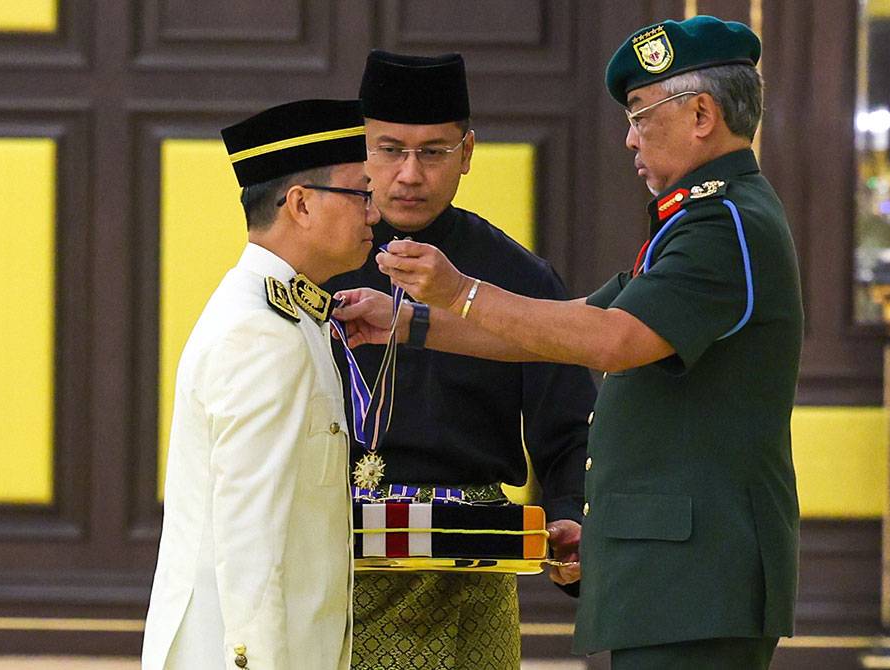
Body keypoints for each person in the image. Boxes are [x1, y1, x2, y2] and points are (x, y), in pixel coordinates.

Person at [335, 17, 802, 670]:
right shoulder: (696, 221)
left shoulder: (722, 223)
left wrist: (459, 291)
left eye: (641, 114)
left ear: (700, 113)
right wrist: (410, 323)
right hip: (674, 569)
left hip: (695, 569)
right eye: (390, 150)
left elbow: (607, 341)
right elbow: (574, 324)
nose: (629, 137)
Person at [323, 50, 596, 670]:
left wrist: (569, 519)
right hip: (334, 553)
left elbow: (569, 428)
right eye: (390, 149)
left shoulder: (516, 277)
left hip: (472, 562)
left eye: (434, 151)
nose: (410, 174)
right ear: (360, 150)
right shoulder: (316, 266)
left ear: (467, 154)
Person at [141, 99, 379, 670]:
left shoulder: (291, 317)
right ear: (300, 204)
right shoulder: (261, 332)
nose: (374, 213)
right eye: (361, 194)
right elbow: (251, 538)